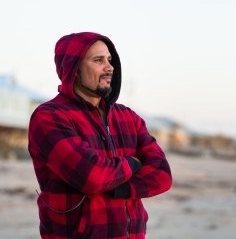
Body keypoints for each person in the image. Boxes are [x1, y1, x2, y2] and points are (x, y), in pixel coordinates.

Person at [28, 32, 172, 239]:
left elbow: (162, 176)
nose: (109, 67)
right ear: (73, 69)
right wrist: (133, 163)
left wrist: (119, 187)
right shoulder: (50, 116)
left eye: (109, 60)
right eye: (98, 60)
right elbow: (91, 177)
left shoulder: (128, 117)